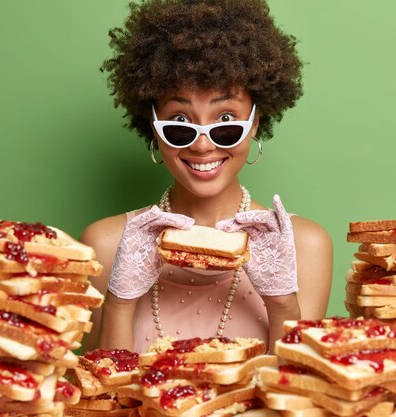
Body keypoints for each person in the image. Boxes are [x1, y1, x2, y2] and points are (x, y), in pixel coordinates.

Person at [81, 0, 332, 353]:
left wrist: (282, 304)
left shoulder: (304, 246)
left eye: (226, 120)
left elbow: (297, 399)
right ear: (154, 127)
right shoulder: (106, 245)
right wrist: (121, 302)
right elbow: (100, 398)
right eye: (179, 122)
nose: (202, 145)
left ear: (255, 122)